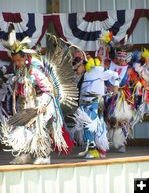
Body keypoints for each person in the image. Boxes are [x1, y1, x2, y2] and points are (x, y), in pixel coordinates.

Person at [0, 26, 74, 164]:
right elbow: (22, 89)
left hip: (43, 102)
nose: (17, 63)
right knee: (22, 125)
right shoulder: (20, 71)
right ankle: (24, 154)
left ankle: (44, 155)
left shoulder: (35, 71)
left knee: (40, 127)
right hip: (29, 103)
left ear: (26, 57)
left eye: (19, 61)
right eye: (15, 61)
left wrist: (42, 105)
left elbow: (48, 90)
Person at [73, 55, 119, 159]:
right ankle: (93, 149)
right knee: (87, 126)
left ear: (82, 64)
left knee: (93, 126)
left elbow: (114, 74)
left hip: (95, 103)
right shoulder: (85, 74)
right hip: (85, 103)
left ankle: (95, 150)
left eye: (76, 68)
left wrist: (116, 86)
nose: (76, 71)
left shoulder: (97, 70)